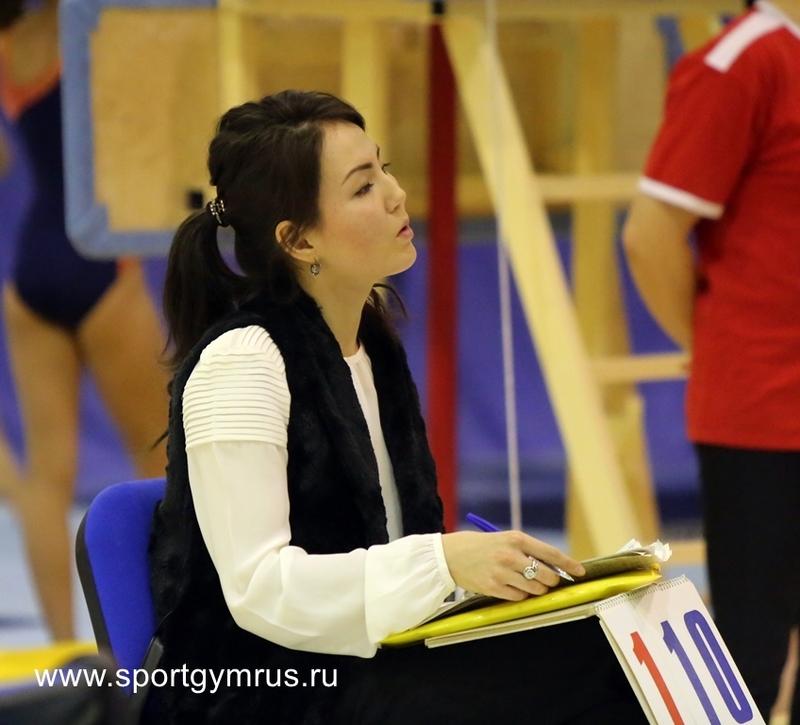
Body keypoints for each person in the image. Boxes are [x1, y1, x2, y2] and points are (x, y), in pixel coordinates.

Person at [148, 89, 648, 724]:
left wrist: (478, 580)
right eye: (363, 187)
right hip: (261, 694)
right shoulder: (242, 363)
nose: (395, 194)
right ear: (299, 241)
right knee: (599, 670)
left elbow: (388, 557)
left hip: (373, 664)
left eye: (383, 168)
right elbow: (260, 592)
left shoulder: (371, 344)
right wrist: (443, 562)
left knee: (616, 632)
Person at [623, 0, 800, 720]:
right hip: (765, 409)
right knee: (751, 654)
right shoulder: (742, 62)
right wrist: (714, 345)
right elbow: (649, 234)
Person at [0, 0, 169, 641]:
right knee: (161, 463)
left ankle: (65, 649)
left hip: (31, 268)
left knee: (45, 478)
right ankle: (164, 634)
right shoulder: (82, 24)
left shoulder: (9, 45)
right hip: (99, 259)